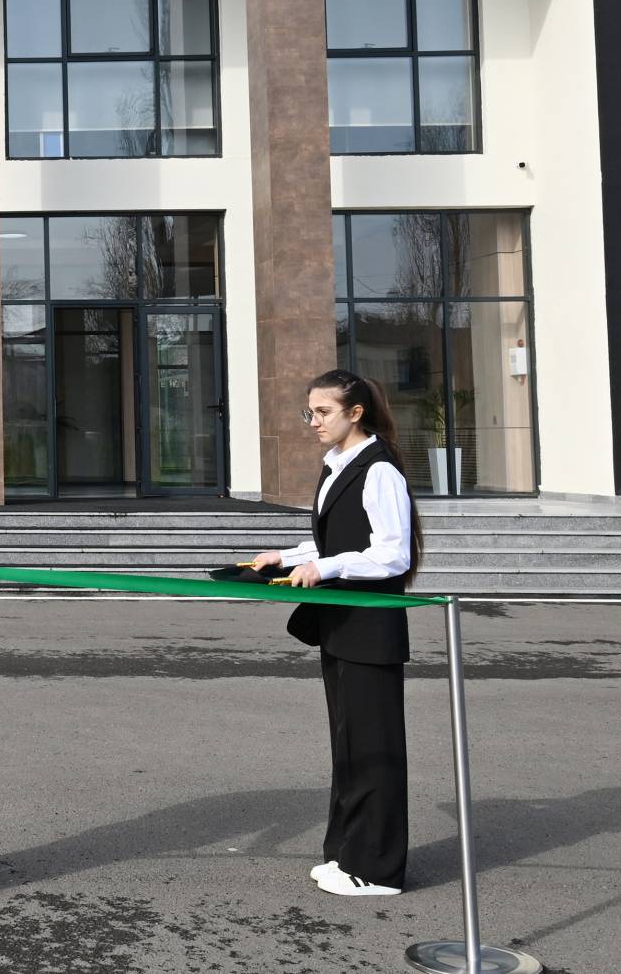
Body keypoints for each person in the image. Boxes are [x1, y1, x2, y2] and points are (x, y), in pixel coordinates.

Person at [249, 368, 422, 899]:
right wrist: (286, 556)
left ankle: (377, 870)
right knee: (349, 745)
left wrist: (325, 567)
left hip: (371, 628)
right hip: (341, 625)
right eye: (310, 412)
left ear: (356, 412)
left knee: (374, 750)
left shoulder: (379, 470)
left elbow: (392, 554)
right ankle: (346, 854)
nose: (314, 421)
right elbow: (337, 541)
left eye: (323, 412)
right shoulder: (336, 465)